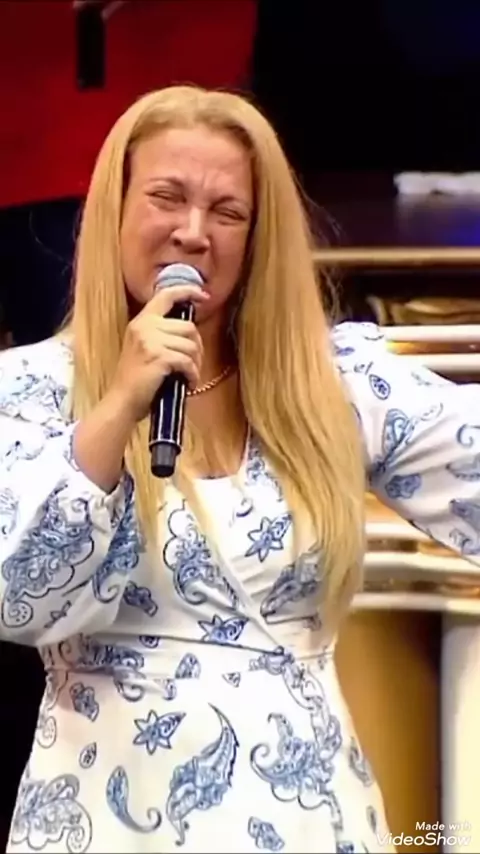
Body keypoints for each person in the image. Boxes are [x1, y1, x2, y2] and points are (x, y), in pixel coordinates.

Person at [0, 85, 479, 854]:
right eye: (167, 197)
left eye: (227, 212)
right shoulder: (29, 391)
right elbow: (19, 598)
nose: (193, 232)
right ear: (112, 210)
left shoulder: (330, 385)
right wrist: (119, 404)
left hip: (306, 815)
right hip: (106, 816)